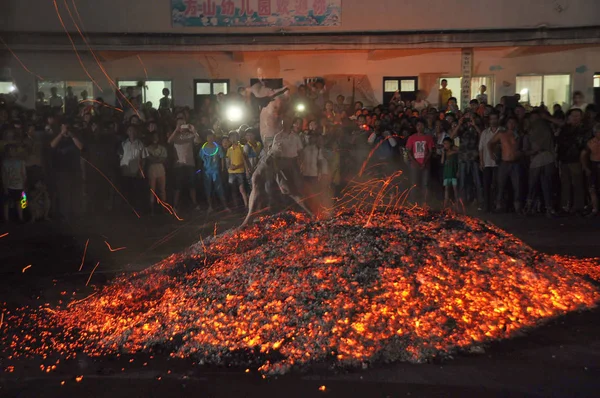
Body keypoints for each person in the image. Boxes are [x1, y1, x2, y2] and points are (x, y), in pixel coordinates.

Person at [522, 111, 556, 216]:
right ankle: (530, 207)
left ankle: (548, 208)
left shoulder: (547, 130)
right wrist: (534, 151)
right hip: (537, 158)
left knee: (546, 184)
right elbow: (525, 150)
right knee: (533, 184)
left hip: (547, 157)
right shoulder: (528, 134)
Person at [50, 122, 84, 221]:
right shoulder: (58, 137)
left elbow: (81, 147)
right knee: (63, 193)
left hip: (75, 170)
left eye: (67, 127)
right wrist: (61, 134)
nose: (65, 129)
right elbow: (52, 145)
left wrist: (72, 135)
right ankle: (64, 214)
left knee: (75, 192)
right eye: (63, 127)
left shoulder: (75, 137)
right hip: (62, 171)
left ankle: (76, 214)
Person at [488, 117, 523, 213]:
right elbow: (490, 143)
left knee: (517, 185)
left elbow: (522, 147)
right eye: (510, 122)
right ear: (507, 124)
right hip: (504, 162)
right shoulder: (501, 134)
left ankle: (517, 207)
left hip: (515, 162)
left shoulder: (518, 135)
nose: (512, 124)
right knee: (501, 185)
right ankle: (498, 205)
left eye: (513, 122)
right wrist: (492, 154)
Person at [556, 109, 587, 214]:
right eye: (573, 116)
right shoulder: (565, 129)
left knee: (577, 183)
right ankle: (565, 206)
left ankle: (578, 206)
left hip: (576, 159)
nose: (575, 118)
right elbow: (559, 143)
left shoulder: (583, 129)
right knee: (565, 184)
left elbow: (581, 145)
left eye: (577, 116)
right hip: (564, 159)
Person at [168, 118, 201, 211]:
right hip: (178, 165)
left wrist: (194, 131)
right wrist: (176, 130)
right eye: (179, 124)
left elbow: (198, 141)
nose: (182, 125)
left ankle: (194, 204)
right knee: (177, 186)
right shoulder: (175, 136)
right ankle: (175, 206)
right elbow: (169, 141)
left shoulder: (190, 135)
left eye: (183, 123)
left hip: (190, 164)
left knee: (192, 185)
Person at [451, 115, 483, 208]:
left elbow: (482, 136)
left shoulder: (476, 128)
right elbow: (452, 137)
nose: (468, 121)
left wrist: (475, 125)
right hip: (463, 158)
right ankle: (462, 201)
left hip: (474, 158)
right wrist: (459, 124)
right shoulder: (462, 129)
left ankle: (479, 201)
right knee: (462, 181)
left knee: (477, 181)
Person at [405, 119, 435, 204]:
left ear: (424, 127)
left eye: (421, 125)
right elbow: (408, 151)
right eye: (418, 125)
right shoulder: (412, 138)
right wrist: (414, 162)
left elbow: (430, 151)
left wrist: (425, 162)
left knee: (425, 184)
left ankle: (425, 202)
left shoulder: (428, 138)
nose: (420, 127)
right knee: (414, 183)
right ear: (416, 127)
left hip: (425, 164)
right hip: (414, 165)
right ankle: (413, 202)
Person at [119, 125, 148, 212]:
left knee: (136, 191)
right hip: (125, 171)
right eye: (129, 130)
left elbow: (144, 158)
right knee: (126, 191)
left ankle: (135, 209)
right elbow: (120, 157)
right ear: (127, 132)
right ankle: (127, 208)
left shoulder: (140, 144)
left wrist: (141, 170)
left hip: (136, 172)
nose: (131, 132)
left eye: (133, 130)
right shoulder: (123, 143)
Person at [200, 131, 229, 213]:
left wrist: (223, 168)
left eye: (211, 136)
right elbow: (201, 159)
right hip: (207, 171)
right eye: (208, 136)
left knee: (219, 188)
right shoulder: (203, 148)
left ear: (214, 137)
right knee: (208, 189)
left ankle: (225, 206)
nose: (210, 138)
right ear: (206, 138)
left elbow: (222, 158)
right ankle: (210, 207)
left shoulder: (218, 147)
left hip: (215, 171)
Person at [478, 111, 501, 212]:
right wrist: (481, 161)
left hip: (498, 163)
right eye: (491, 119)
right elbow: (481, 148)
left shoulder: (502, 131)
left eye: (495, 118)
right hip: (487, 162)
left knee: (496, 185)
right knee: (486, 184)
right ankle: (487, 205)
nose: (493, 121)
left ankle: (496, 205)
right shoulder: (485, 132)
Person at [2, 144, 26, 222]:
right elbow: (4, 176)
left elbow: (23, 174)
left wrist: (24, 186)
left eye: (13, 150)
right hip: (9, 185)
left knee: (19, 202)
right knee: (6, 203)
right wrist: (5, 187)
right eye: (9, 151)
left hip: (19, 186)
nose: (11, 152)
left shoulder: (20, 162)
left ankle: (21, 218)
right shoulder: (4, 162)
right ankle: (6, 219)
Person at [146, 131, 168, 214]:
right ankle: (152, 210)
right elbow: (149, 159)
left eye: (156, 136)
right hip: (152, 170)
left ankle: (163, 208)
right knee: (152, 190)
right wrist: (157, 159)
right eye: (153, 137)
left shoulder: (162, 148)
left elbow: (163, 159)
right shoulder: (147, 148)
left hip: (160, 170)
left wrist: (154, 158)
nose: (155, 138)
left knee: (162, 190)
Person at [226, 131, 249, 209]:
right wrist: (230, 166)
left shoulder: (242, 147)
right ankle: (236, 206)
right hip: (231, 172)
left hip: (240, 171)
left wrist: (240, 167)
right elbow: (228, 160)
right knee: (233, 190)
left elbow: (245, 160)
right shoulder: (229, 149)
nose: (233, 139)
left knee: (242, 189)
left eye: (235, 137)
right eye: (231, 137)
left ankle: (246, 205)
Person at [582, 123, 600, 217]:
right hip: (594, 165)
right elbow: (583, 154)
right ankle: (595, 209)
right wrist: (585, 167)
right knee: (592, 189)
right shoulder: (591, 143)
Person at [441, 137, 459, 209]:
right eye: (444, 144)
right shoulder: (445, 153)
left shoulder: (455, 153)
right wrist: (442, 153)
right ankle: (446, 203)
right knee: (447, 188)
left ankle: (457, 203)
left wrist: (458, 171)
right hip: (447, 172)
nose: (445, 145)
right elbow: (442, 162)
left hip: (453, 172)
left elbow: (457, 162)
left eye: (446, 143)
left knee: (455, 188)